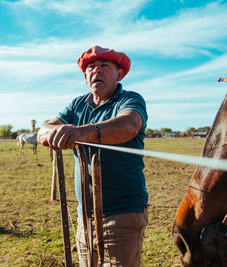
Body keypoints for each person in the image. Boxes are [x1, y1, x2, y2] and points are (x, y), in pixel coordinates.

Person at [37, 45, 148, 267]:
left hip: (122, 213)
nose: (96, 71)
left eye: (105, 66)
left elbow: (130, 124)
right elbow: (43, 130)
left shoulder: (129, 100)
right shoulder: (78, 104)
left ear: (119, 73)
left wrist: (81, 132)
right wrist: (55, 133)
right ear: (85, 76)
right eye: (91, 67)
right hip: (84, 214)